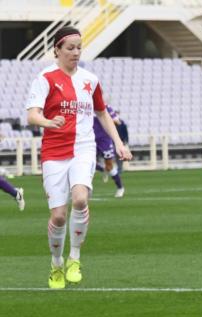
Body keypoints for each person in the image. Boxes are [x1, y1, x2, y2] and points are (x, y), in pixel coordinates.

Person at [26, 26, 132, 289]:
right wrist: (49, 122)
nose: (75, 53)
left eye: (79, 48)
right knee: (59, 216)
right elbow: (32, 115)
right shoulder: (45, 78)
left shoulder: (90, 79)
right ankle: (56, 263)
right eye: (70, 48)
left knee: (81, 199)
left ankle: (75, 258)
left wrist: (119, 143)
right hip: (53, 152)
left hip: (83, 149)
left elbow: (102, 113)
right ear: (57, 50)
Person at [94, 104, 125, 198]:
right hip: (90, 139)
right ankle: (85, 190)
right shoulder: (85, 105)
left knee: (109, 165)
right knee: (89, 163)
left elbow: (117, 121)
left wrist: (108, 119)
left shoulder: (106, 107)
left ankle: (120, 187)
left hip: (105, 140)